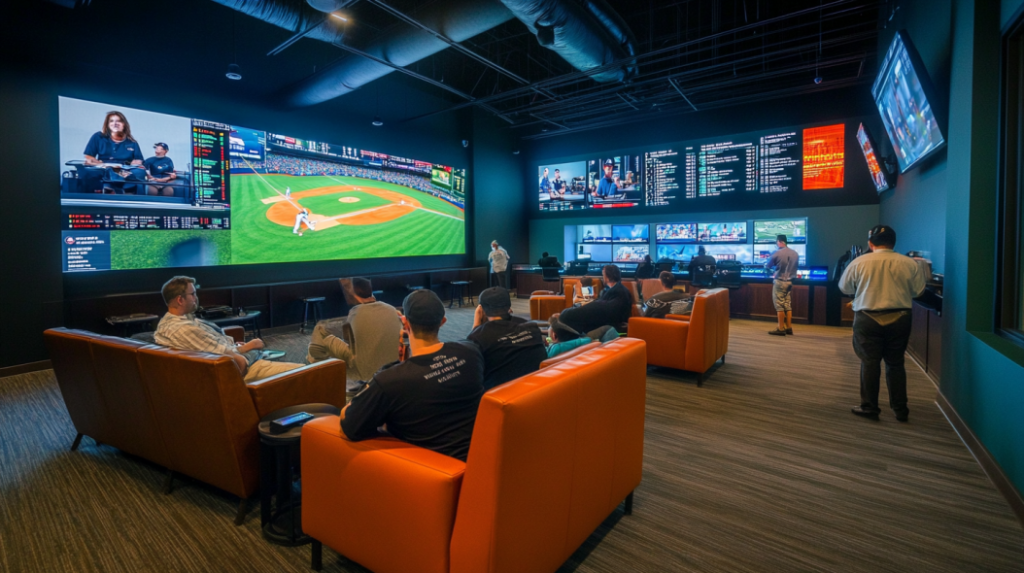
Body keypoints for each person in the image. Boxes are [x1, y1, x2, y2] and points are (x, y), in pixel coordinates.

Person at [340, 289, 485, 461]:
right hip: (477, 462)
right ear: (443, 321)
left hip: (424, 475)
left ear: (405, 323)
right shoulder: (471, 353)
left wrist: (393, 368)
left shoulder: (390, 380)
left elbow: (349, 426)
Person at [839, 225, 926, 422]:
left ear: (870, 243)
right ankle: (900, 410)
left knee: (870, 363)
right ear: (894, 242)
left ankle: (870, 408)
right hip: (900, 318)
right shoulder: (910, 263)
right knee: (895, 364)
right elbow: (918, 292)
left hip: (867, 318)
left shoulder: (859, 262)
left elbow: (844, 287)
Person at [153, 276, 304, 382]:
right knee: (308, 372)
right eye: (192, 294)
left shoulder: (170, 322)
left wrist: (236, 347)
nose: (195, 298)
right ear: (180, 299)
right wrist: (248, 348)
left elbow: (216, 349)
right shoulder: (184, 330)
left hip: (231, 359)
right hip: (243, 372)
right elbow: (238, 364)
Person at [306, 277, 403, 393]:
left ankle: (315, 372)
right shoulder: (392, 309)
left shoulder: (356, 313)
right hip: (393, 369)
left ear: (353, 293)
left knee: (321, 329)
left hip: (363, 373)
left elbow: (347, 336)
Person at [467, 287, 547, 390]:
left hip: (500, 395)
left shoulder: (478, 337)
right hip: (536, 389)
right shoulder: (530, 326)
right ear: (509, 306)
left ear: (481, 309)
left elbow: (470, 364)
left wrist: (476, 326)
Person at [81, 110, 147, 194]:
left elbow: (138, 160)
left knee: (140, 172)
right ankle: (117, 189)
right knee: (106, 171)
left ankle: (124, 191)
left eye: (118, 121)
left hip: (125, 168)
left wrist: (134, 164)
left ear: (124, 125)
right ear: (108, 125)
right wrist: (98, 163)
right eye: (111, 121)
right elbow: (89, 157)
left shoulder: (132, 142)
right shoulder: (98, 137)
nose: (115, 123)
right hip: (105, 167)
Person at [559, 264, 633, 333]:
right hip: (601, 319)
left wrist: (590, 306)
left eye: (603, 275)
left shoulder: (620, 291)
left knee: (567, 315)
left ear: (607, 276)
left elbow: (609, 309)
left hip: (610, 322)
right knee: (569, 316)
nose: (602, 277)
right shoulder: (610, 290)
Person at [764, 234, 800, 336]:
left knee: (779, 305)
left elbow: (767, 267)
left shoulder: (776, 253)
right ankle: (789, 327)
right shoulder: (795, 253)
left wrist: (771, 272)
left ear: (779, 241)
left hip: (780, 281)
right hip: (790, 282)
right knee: (787, 304)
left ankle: (780, 328)